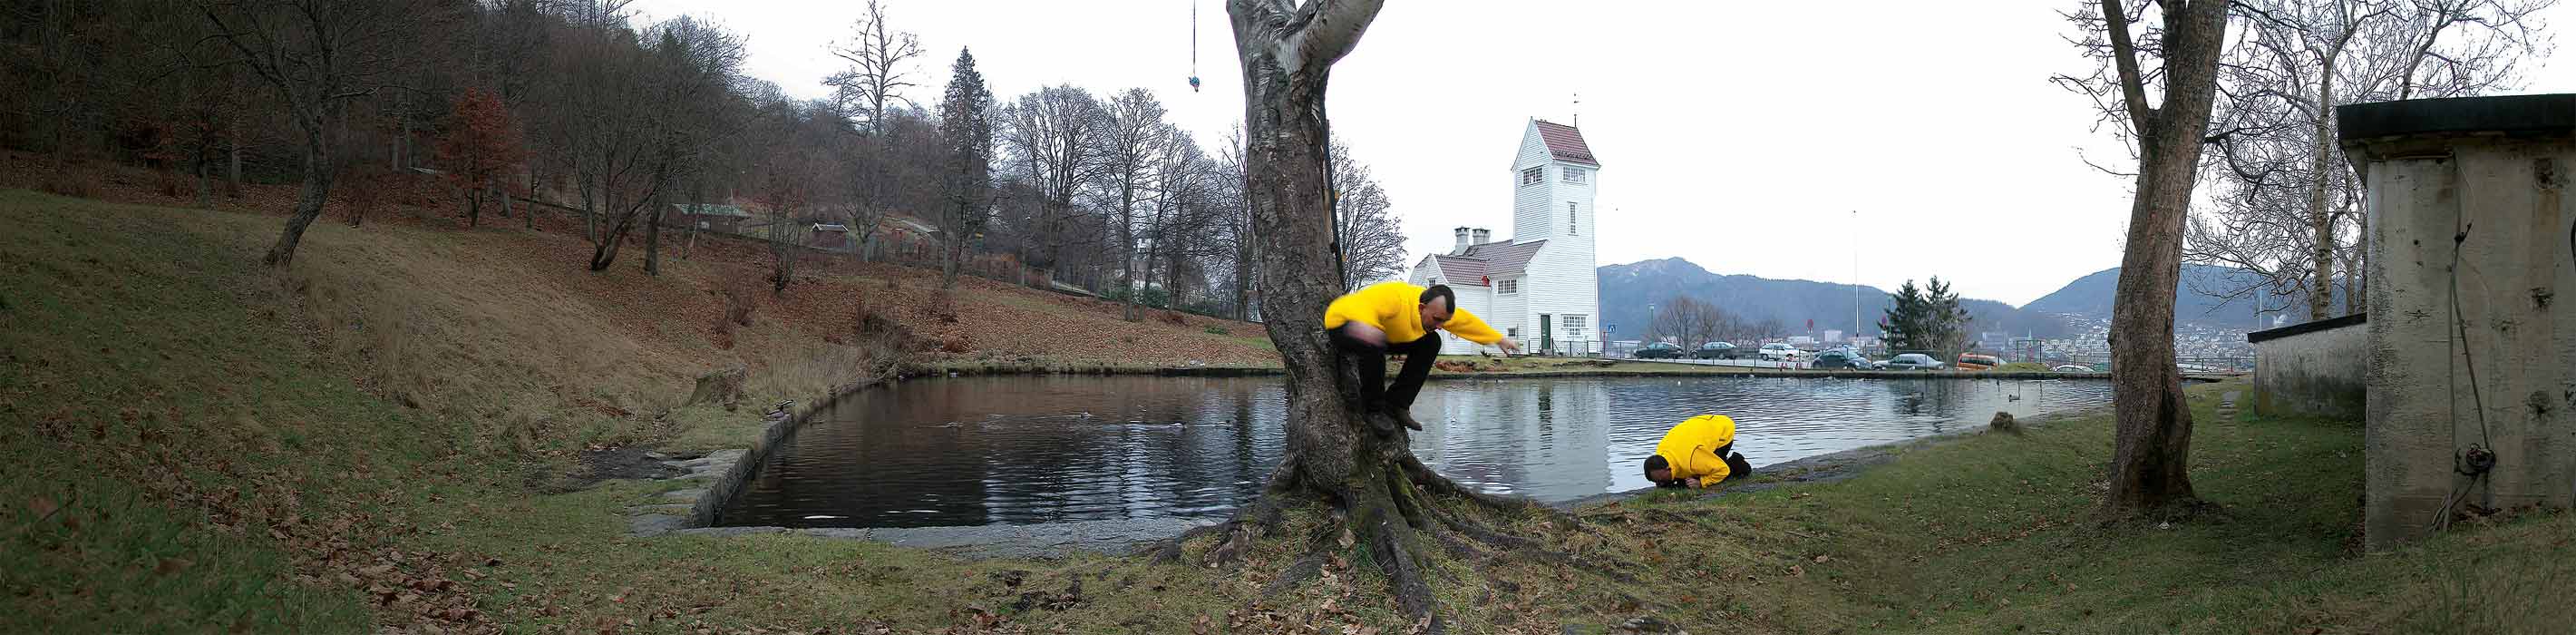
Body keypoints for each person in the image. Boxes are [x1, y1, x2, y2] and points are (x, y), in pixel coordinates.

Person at [1324, 282, 1520, 431]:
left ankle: (1397, 404)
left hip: (1380, 332)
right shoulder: (1395, 298)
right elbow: (1362, 305)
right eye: (1437, 320)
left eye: (1444, 321)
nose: (1440, 326)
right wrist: (1363, 325)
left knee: (1431, 342)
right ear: (1420, 308)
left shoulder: (1436, 310)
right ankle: (1373, 410)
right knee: (1375, 342)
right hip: (1343, 323)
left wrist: (1499, 339)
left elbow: (1466, 322)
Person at [1644, 415, 1755, 488]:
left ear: (1668, 469)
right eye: (1656, 481)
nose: (1659, 483)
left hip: (1723, 430)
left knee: (1716, 471)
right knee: (1679, 482)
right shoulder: (1661, 452)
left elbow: (1722, 470)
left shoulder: (1693, 460)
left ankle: (1737, 463)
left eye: (1660, 479)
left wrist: (1701, 482)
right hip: (1700, 425)